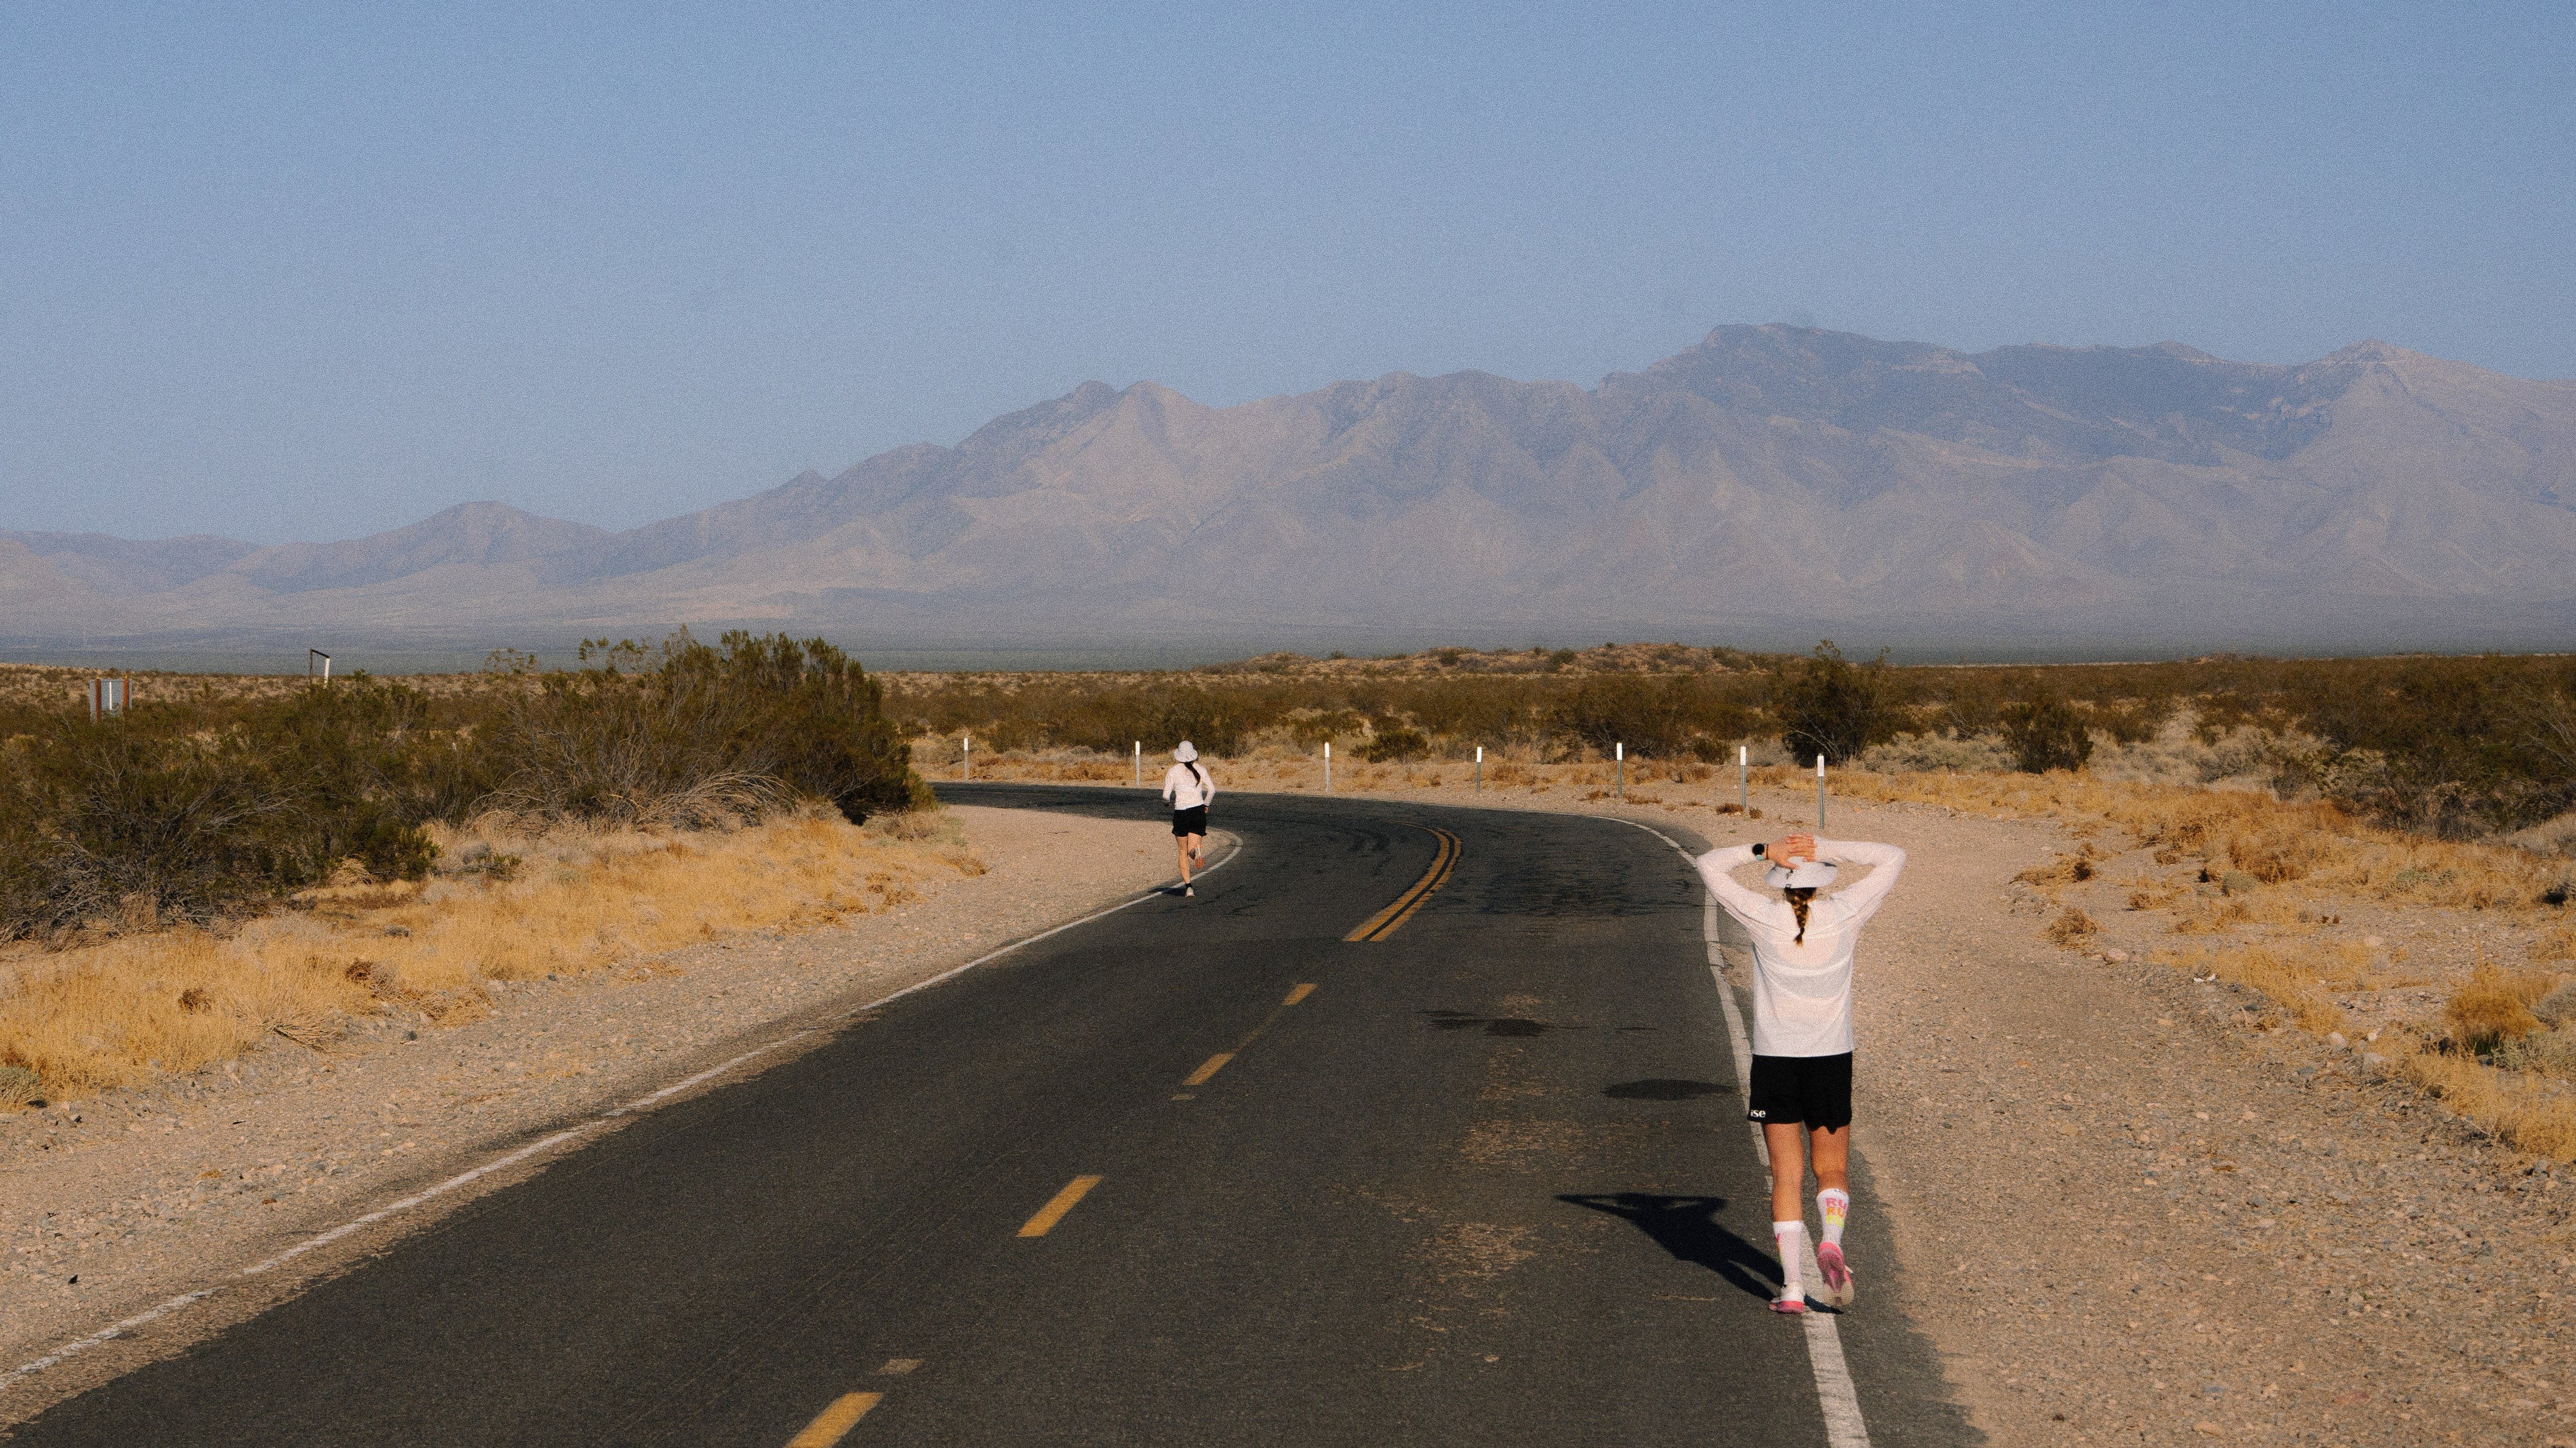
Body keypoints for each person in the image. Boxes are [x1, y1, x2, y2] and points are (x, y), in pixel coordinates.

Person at [1695, 829, 1906, 1314]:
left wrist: (1763, 850)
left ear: (1782, 883)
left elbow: (1708, 865)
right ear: (1822, 880)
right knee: (1830, 1167)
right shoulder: (1845, 912)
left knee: (1785, 1175)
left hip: (1776, 1060)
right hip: (1831, 1057)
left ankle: (1792, 1288)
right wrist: (1824, 845)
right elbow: (1893, 855)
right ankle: (1831, 1239)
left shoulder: (1764, 916)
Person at [1160, 741, 1214, 896]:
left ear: (1179, 756)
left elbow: (1166, 795)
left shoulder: (1172, 771)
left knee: (1182, 852)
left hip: (1181, 812)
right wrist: (1206, 804)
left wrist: (1167, 803)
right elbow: (1212, 790)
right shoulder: (1201, 769)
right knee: (1192, 847)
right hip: (1198, 810)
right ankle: (1196, 851)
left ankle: (1189, 887)